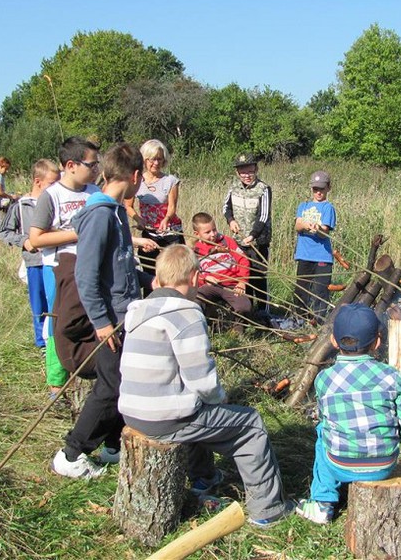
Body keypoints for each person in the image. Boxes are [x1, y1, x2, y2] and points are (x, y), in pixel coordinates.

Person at [118, 244, 294, 527]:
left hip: (131, 411)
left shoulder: (138, 310)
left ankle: (204, 478)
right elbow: (201, 379)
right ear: (196, 279)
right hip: (165, 418)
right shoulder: (186, 314)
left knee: (195, 410)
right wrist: (220, 399)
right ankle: (268, 509)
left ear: (157, 279)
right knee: (251, 425)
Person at [51, 142, 143, 479]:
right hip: (111, 321)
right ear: (134, 175)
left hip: (126, 313)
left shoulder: (117, 213)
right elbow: (86, 275)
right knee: (110, 387)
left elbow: (120, 267)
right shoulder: (100, 215)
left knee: (125, 382)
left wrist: (156, 278)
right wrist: (101, 323)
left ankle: (112, 446)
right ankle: (71, 453)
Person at [296, 303, 401, 524]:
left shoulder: (324, 379)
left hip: (339, 464)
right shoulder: (391, 377)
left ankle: (322, 502)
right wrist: (394, 432)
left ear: (333, 342)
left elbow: (329, 420)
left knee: (322, 432)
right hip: (384, 466)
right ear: (377, 342)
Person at [29, 137, 101, 401]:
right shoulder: (52, 196)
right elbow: (36, 239)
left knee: (91, 320)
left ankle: (91, 371)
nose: (95, 169)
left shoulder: (94, 193)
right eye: (91, 164)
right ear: (71, 165)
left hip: (91, 267)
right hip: (59, 269)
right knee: (59, 324)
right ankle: (57, 384)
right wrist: (75, 234)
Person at [0, 159, 61, 356]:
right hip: (34, 262)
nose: (56, 187)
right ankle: (42, 343)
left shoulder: (56, 201)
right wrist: (25, 241)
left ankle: (56, 339)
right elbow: (4, 232)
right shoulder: (21, 206)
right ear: (38, 181)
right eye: (52, 183)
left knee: (56, 301)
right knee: (39, 303)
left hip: (56, 260)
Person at [123, 139, 183, 275]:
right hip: (149, 232)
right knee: (149, 271)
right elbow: (128, 206)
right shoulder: (137, 179)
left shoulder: (170, 181)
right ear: (144, 159)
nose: (156, 163)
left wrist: (167, 219)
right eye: (152, 159)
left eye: (160, 159)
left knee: (174, 271)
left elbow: (172, 207)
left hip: (170, 233)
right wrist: (138, 219)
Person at [223, 153, 272, 311]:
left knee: (259, 276)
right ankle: (248, 309)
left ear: (256, 169)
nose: (247, 175)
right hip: (239, 241)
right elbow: (226, 208)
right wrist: (231, 220)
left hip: (258, 242)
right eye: (243, 172)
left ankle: (263, 310)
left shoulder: (263, 189)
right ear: (237, 173)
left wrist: (253, 235)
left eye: (250, 171)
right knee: (244, 275)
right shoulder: (233, 188)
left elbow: (263, 216)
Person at [191, 212, 252, 327]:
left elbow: (243, 260)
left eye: (214, 230)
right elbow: (193, 272)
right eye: (207, 232)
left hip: (231, 285)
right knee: (195, 301)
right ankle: (204, 325)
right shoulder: (195, 250)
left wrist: (242, 281)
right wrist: (204, 278)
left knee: (244, 307)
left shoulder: (226, 241)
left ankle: (237, 329)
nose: (213, 234)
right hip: (209, 285)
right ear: (197, 234)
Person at [293, 171, 336, 324]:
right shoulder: (303, 206)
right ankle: (300, 319)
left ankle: (319, 320)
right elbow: (298, 225)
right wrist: (306, 224)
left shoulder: (328, 208)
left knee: (320, 290)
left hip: (321, 256)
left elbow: (324, 233)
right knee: (301, 289)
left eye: (322, 189)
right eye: (315, 189)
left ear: (328, 188)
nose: (318, 192)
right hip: (304, 254)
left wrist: (317, 228)